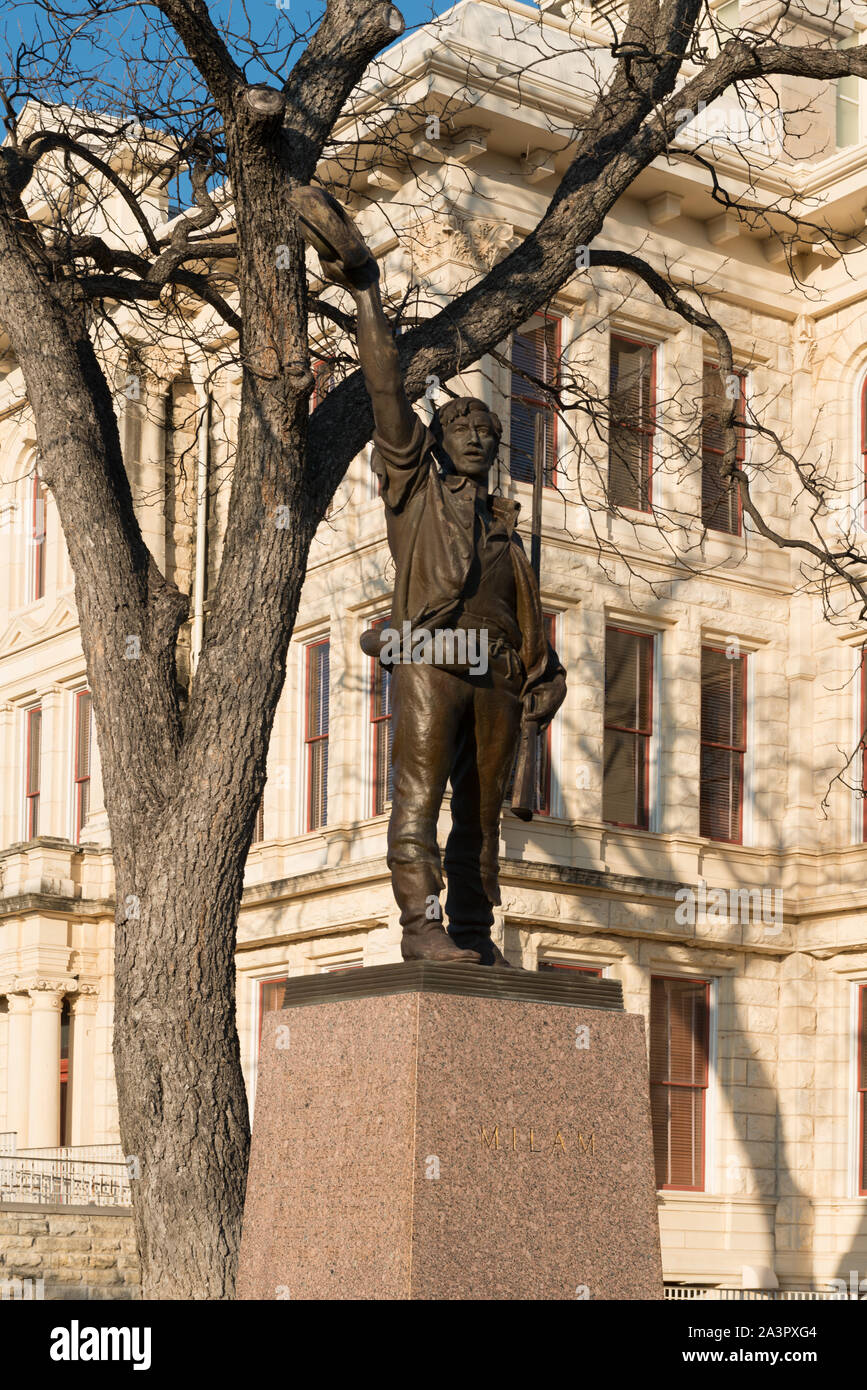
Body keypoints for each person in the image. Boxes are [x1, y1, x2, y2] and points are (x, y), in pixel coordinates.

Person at [295, 188, 566, 965]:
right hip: (430, 658)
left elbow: (520, 614)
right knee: (418, 801)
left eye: (485, 428)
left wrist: (546, 674)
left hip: (497, 677)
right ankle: (420, 928)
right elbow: (385, 387)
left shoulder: (506, 530)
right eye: (461, 427)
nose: (476, 435)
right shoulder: (414, 490)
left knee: (480, 816)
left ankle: (476, 934)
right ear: (439, 443)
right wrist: (365, 292)